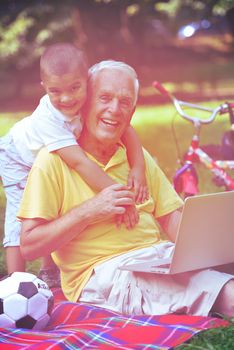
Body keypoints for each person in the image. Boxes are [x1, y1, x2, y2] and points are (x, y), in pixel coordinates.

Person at [19, 60, 234, 317]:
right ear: (85, 104)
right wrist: (89, 211)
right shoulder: (52, 161)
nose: (114, 109)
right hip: (103, 273)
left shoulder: (137, 159)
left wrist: (210, 250)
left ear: (132, 112)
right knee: (225, 293)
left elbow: (171, 218)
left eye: (124, 102)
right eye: (105, 98)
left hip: (159, 258)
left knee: (215, 270)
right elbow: (30, 245)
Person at [0, 44, 148, 285]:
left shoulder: (90, 94)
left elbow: (126, 128)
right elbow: (79, 162)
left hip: (45, 156)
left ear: (87, 81)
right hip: (18, 157)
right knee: (22, 218)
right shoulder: (49, 119)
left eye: (74, 88)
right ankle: (15, 283)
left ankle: (49, 271)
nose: (66, 98)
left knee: (53, 205)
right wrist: (121, 197)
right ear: (44, 88)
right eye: (55, 91)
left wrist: (138, 167)